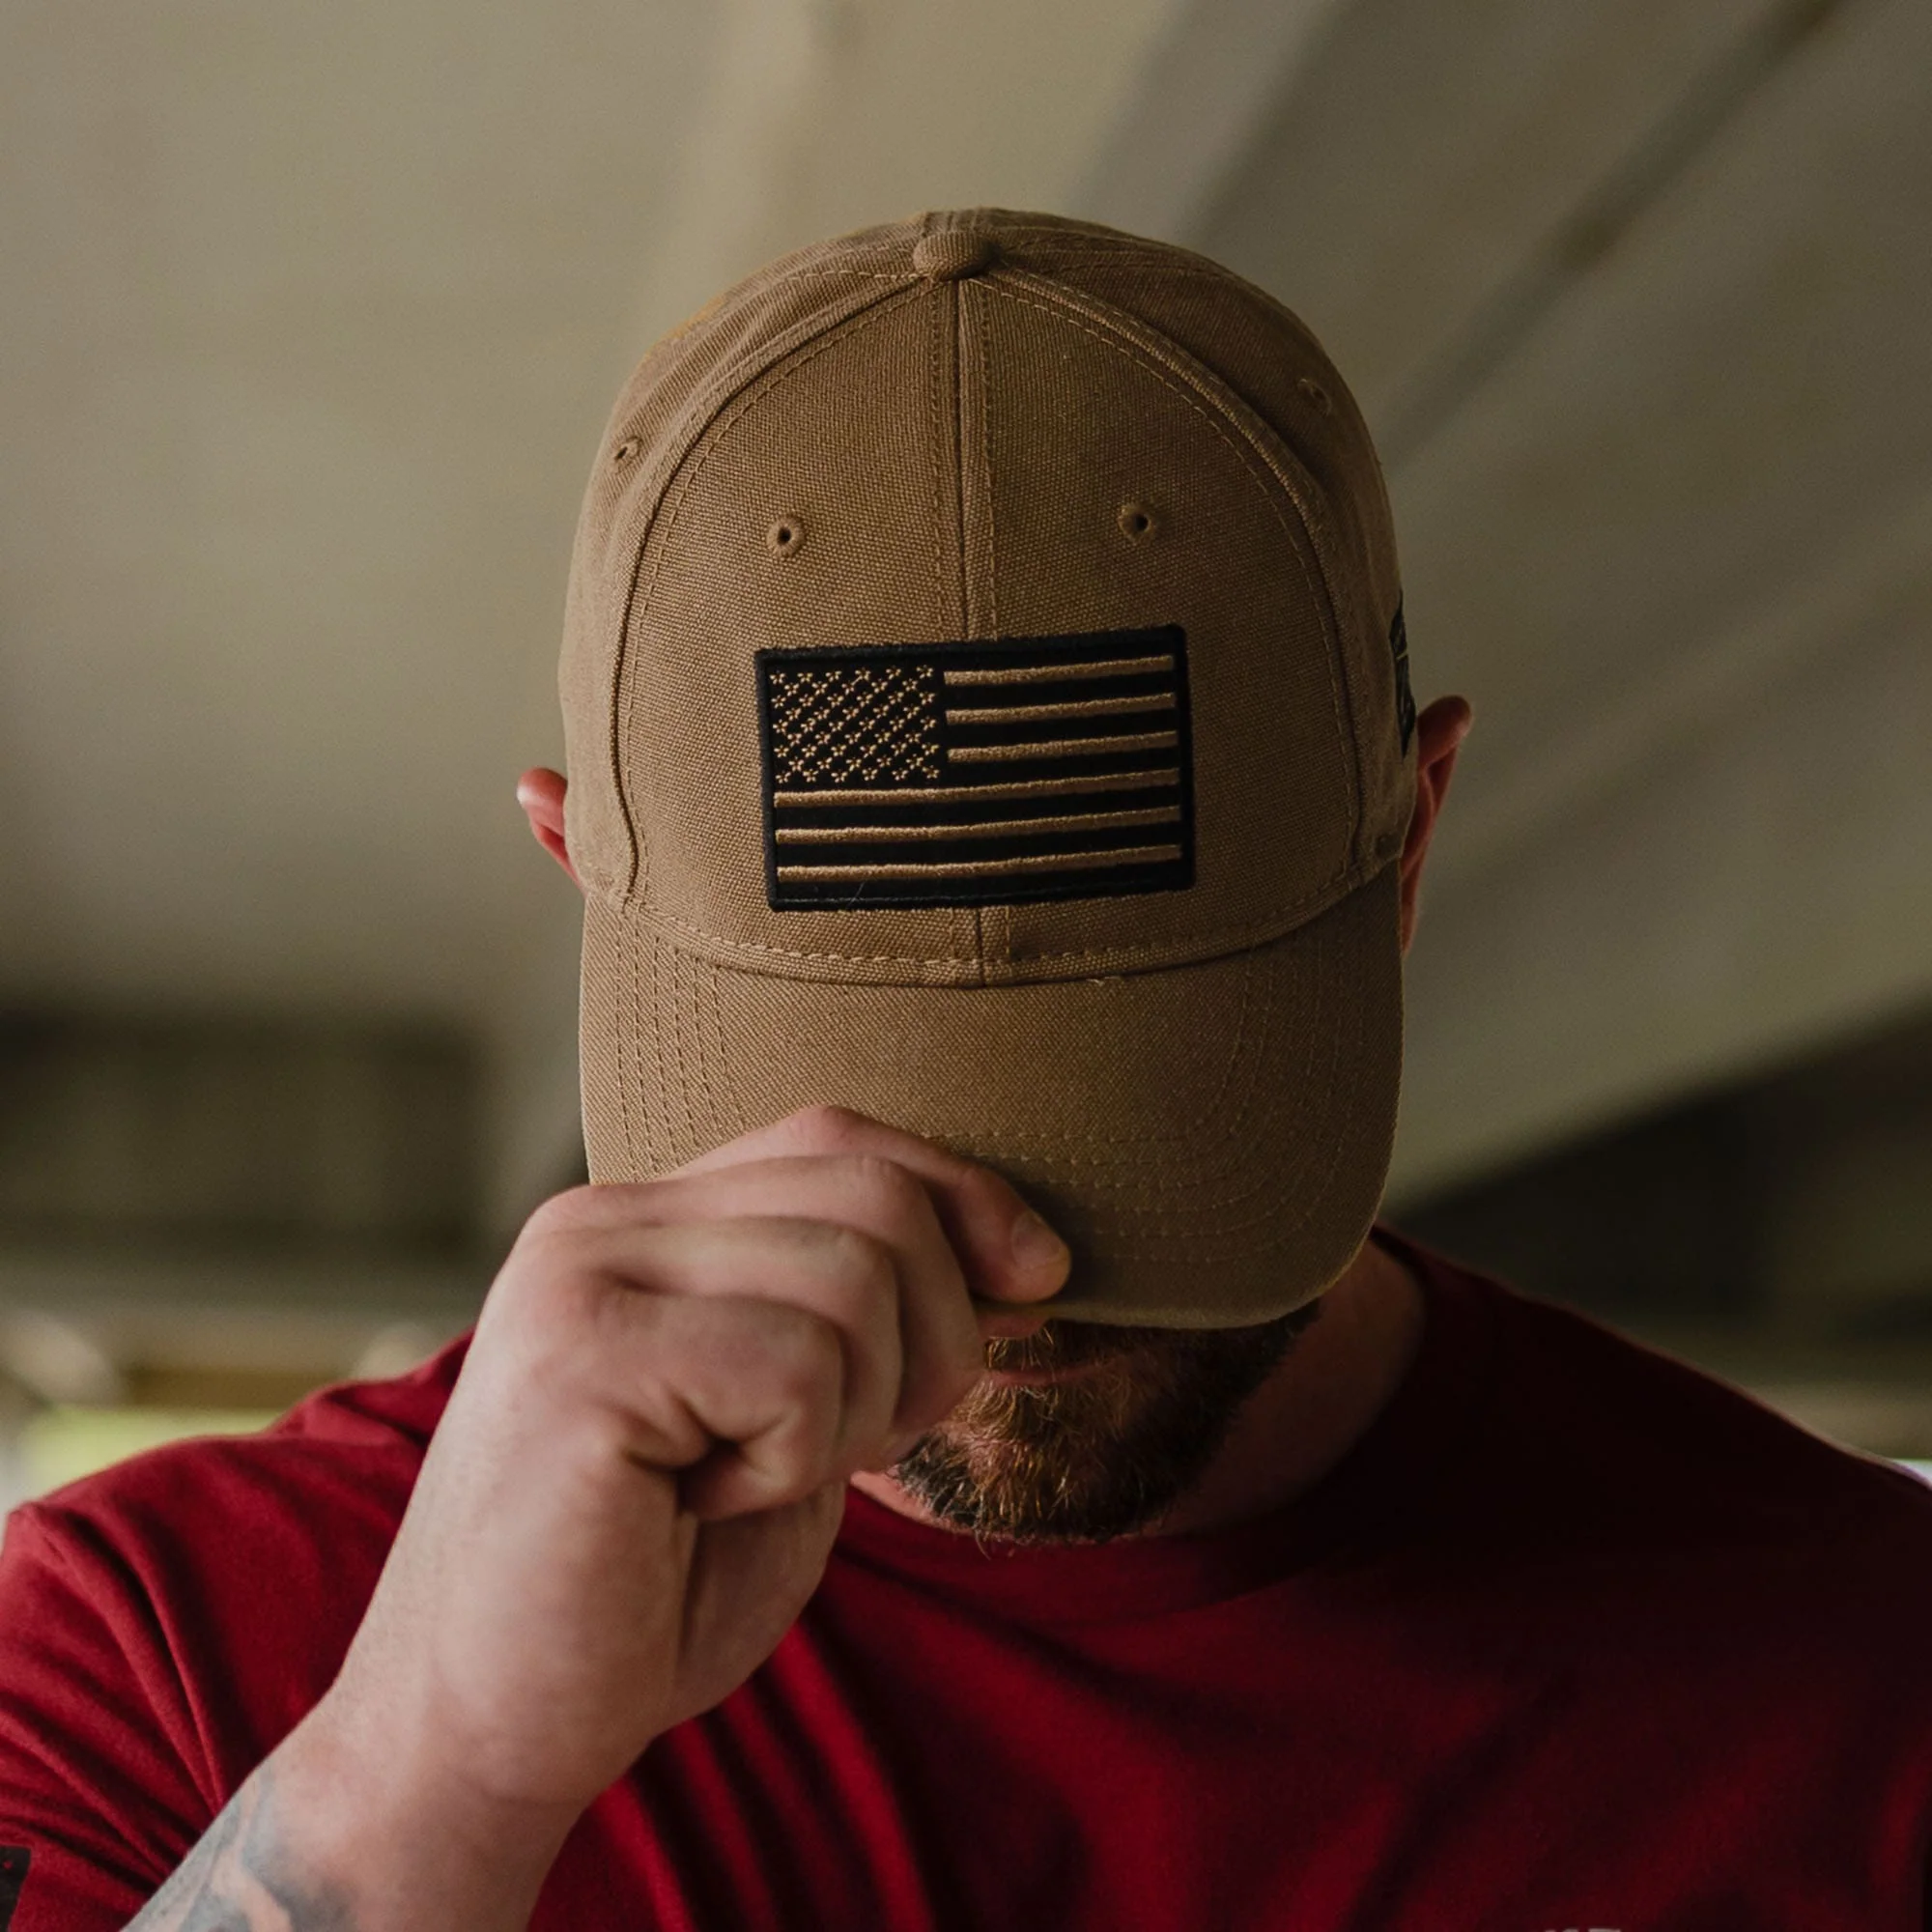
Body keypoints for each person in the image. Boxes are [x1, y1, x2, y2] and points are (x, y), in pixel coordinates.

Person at [1, 211, 1928, 1932]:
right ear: (572, 865)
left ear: (1407, 837)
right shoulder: (151, 1649)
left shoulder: (1869, 1680)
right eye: (865, 1106)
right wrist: (431, 1769)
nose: (1012, 1256)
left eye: (1129, 1090)